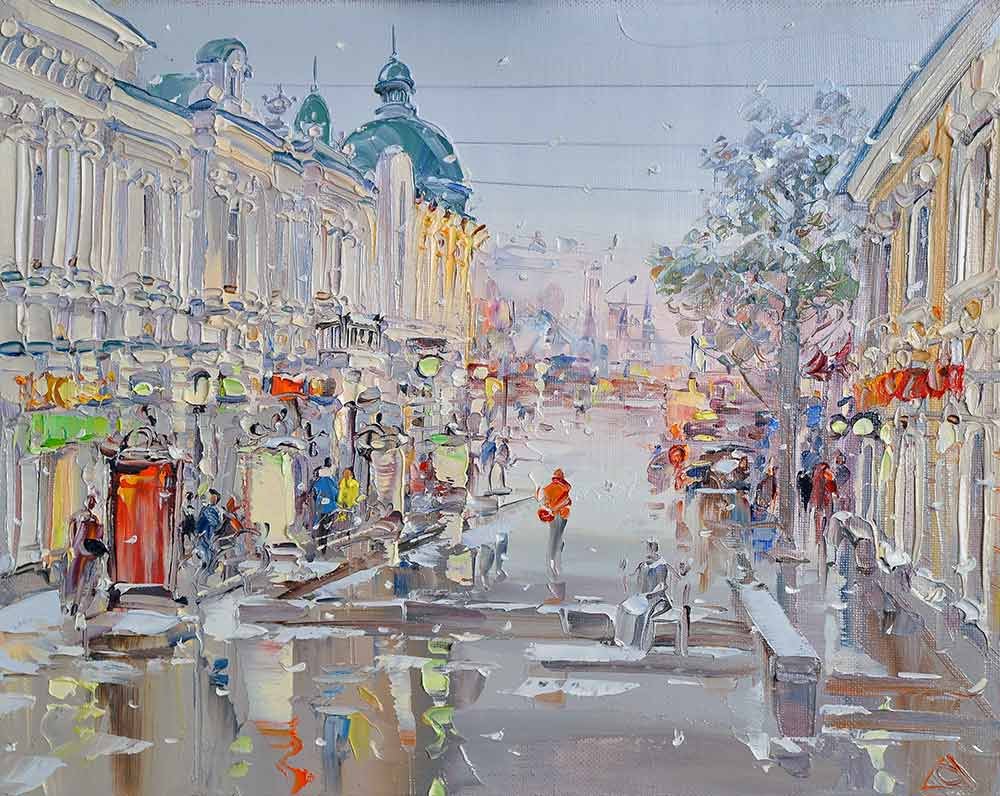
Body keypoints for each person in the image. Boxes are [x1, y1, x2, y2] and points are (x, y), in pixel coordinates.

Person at [62, 494, 105, 616]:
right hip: (80, 547)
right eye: (90, 501)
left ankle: (76, 604)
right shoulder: (81, 515)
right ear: (87, 502)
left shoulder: (94, 518)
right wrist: (70, 542)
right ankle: (72, 603)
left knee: (83, 575)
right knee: (77, 574)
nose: (92, 503)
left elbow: (99, 534)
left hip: (87, 549)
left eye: (93, 502)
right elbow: (70, 523)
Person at [536, 468, 572, 600]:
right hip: (563, 516)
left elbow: (543, 501)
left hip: (554, 516)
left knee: (554, 538)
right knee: (558, 537)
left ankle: (553, 564)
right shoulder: (565, 489)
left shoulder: (548, 489)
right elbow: (567, 502)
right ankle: (556, 560)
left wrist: (550, 508)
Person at [195, 489, 224, 564]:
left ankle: (208, 562)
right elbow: (200, 520)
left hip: (209, 531)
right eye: (211, 497)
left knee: (208, 548)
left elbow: (216, 522)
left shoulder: (215, 510)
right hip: (203, 532)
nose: (211, 499)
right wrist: (198, 531)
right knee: (203, 547)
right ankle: (206, 561)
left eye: (214, 498)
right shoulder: (205, 508)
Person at [675, 559, 693, 656]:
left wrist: (684, 608)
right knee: (681, 629)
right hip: (680, 607)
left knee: (683, 629)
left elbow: (686, 597)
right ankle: (680, 650)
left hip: (683, 607)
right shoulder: (681, 580)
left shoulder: (686, 581)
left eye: (683, 565)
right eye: (680, 565)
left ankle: (682, 650)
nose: (681, 567)